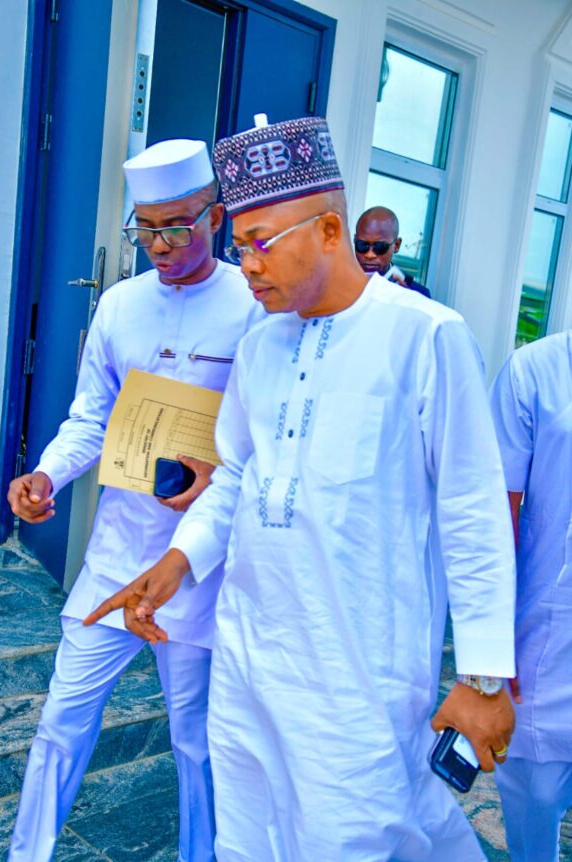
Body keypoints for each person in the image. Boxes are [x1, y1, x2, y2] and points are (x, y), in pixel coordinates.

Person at [87, 116, 516, 861]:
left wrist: (483, 676)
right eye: (239, 246)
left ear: (328, 230)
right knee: (246, 838)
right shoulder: (261, 343)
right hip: (249, 659)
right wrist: (177, 563)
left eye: (261, 244)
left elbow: (471, 508)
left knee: (353, 838)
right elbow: (238, 475)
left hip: (357, 676)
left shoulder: (425, 336)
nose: (246, 266)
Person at [6, 139, 261, 862]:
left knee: (194, 740)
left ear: (215, 217)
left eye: (176, 227)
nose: (160, 246)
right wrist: (46, 476)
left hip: (201, 567)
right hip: (118, 552)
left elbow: (264, 438)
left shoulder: (253, 305)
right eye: (145, 230)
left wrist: (217, 472)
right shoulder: (119, 305)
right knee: (61, 719)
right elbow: (91, 417)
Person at [490, 330, 572, 862]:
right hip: (548, 628)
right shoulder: (536, 371)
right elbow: (497, 517)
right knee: (534, 793)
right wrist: (490, 644)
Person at [354, 205, 431, 297]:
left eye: (380, 247)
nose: (369, 255)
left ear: (396, 245)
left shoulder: (416, 294)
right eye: (362, 245)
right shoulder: (339, 283)